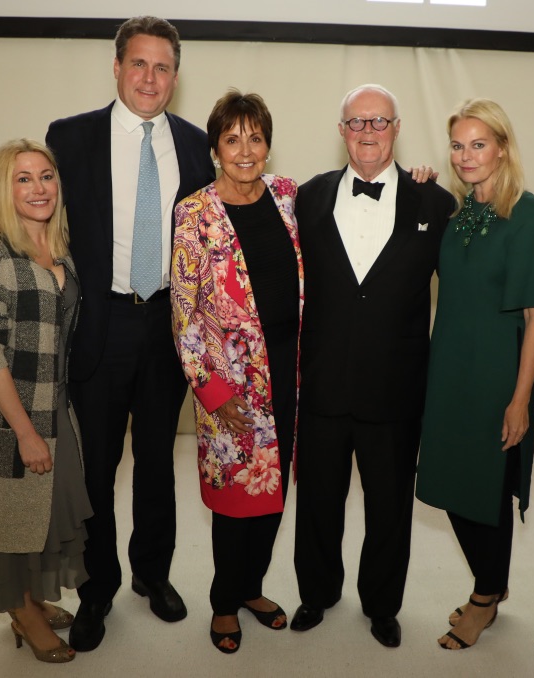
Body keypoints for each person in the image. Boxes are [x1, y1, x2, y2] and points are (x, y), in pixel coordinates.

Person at [0, 16, 215, 652]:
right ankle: (97, 587)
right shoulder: (70, 137)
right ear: (117, 67)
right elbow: (29, 208)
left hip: (168, 326)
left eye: (163, 67)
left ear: (176, 76)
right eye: (139, 64)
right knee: (96, 467)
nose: (150, 78)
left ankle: (153, 573)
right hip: (98, 324)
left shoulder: (197, 143)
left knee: (156, 461)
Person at [290, 84, 457, 648]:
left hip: (395, 388)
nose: (367, 132)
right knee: (317, 501)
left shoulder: (435, 204)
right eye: (356, 122)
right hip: (323, 383)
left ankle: (383, 605)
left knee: (389, 510)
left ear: (397, 128)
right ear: (341, 131)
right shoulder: (307, 198)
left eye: (378, 122)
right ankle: (316, 593)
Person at [415, 99, 534, 650]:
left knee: (487, 493)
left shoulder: (528, 215)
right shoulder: (458, 213)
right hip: (449, 367)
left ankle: (486, 596)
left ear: (502, 147)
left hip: (497, 374)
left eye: (479, 144)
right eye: (457, 144)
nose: (466, 155)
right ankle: (490, 588)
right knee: (452, 485)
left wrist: (521, 399)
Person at [171, 90, 302, 654]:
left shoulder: (287, 195)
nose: (245, 150)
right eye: (232, 138)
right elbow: (184, 313)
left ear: (268, 144)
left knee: (272, 494)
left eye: (255, 137)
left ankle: (251, 588)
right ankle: (225, 601)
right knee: (233, 501)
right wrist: (212, 390)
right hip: (230, 384)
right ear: (216, 148)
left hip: (289, 373)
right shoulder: (195, 213)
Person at [0, 139, 91, 663]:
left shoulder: (59, 247)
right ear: (4, 188)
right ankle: (21, 609)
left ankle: (31, 595)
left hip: (55, 399)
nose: (38, 188)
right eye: (23, 179)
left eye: (45, 176)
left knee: (50, 503)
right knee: (10, 512)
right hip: (9, 411)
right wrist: (24, 431)